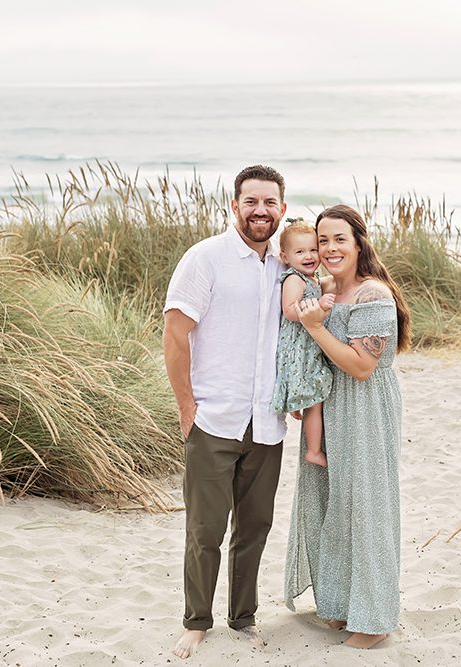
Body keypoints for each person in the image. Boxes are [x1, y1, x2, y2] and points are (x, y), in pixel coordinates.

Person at [163, 164, 288, 659]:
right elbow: (175, 334)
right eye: (252, 202)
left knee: (255, 528)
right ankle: (196, 621)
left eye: (270, 203)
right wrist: (186, 404)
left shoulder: (286, 267)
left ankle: (243, 618)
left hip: (268, 422)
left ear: (281, 208)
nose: (261, 211)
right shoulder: (206, 258)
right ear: (234, 206)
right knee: (205, 530)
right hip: (214, 419)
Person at [284, 203, 411, 649]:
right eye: (323, 240)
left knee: (366, 506)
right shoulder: (325, 287)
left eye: (340, 239)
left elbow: (361, 366)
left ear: (358, 243)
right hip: (329, 407)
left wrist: (316, 328)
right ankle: (339, 606)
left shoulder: (373, 294)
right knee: (330, 503)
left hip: (366, 409)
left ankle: (374, 621)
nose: (330, 248)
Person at [269, 219, 335, 467]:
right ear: (285, 257)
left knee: (312, 394)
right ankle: (313, 451)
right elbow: (289, 310)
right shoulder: (294, 279)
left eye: (312, 250)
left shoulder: (313, 278)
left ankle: (299, 405)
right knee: (316, 398)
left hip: (308, 345)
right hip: (298, 347)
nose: (309, 256)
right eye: (300, 252)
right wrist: (318, 307)